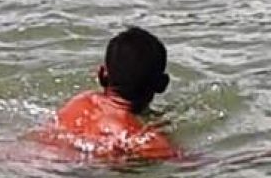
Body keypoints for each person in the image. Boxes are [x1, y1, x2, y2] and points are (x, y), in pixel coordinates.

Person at [35, 26, 180, 161]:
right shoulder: (142, 139)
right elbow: (186, 164)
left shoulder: (80, 102)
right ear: (162, 84)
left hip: (32, 158)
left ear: (102, 75)